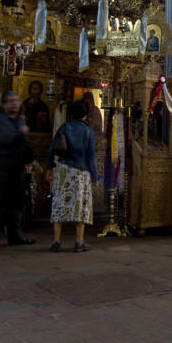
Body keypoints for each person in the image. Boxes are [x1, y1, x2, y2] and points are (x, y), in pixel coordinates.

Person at [0, 91, 36, 253]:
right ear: (4, 104)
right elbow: (4, 138)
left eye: (16, 100)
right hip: (1, 167)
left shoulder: (19, 120)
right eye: (11, 101)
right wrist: (21, 132)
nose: (14, 103)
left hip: (17, 168)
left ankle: (15, 235)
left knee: (17, 204)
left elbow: (22, 143)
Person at [46, 101, 98, 252]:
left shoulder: (65, 127)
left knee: (59, 204)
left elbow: (52, 148)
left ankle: (56, 241)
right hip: (80, 173)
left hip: (63, 170)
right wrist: (95, 176)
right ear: (86, 115)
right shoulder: (88, 132)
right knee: (80, 206)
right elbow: (91, 156)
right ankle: (79, 241)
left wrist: (49, 168)